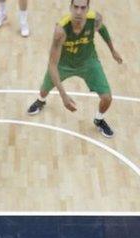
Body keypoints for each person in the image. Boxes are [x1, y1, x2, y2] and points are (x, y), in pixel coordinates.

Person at [27, 0, 123, 138]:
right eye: (76, 7)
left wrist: (113, 50)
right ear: (70, 8)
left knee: (107, 98)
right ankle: (41, 100)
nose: (79, 11)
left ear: (88, 9)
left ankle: (99, 119)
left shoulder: (94, 19)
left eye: (83, 8)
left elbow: (102, 29)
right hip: (63, 64)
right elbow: (52, 65)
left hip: (88, 62)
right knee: (43, 90)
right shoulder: (61, 30)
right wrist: (63, 96)